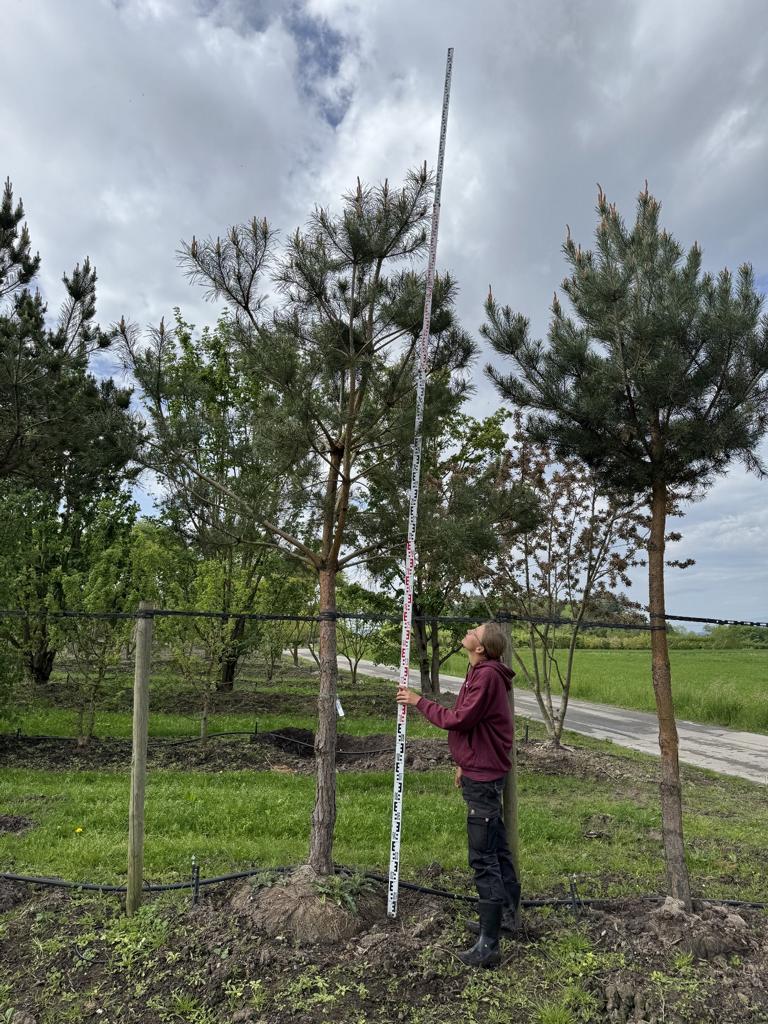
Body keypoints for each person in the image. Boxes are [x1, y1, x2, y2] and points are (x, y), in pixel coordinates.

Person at [396, 621, 521, 968]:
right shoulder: (478, 671)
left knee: (484, 858)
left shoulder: (487, 676)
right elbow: (479, 726)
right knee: (497, 848)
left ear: (480, 647)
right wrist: (466, 761)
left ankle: (489, 945)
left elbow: (461, 720)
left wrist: (418, 701)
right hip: (480, 770)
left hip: (485, 779)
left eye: (475, 631)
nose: (469, 631)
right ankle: (507, 918)